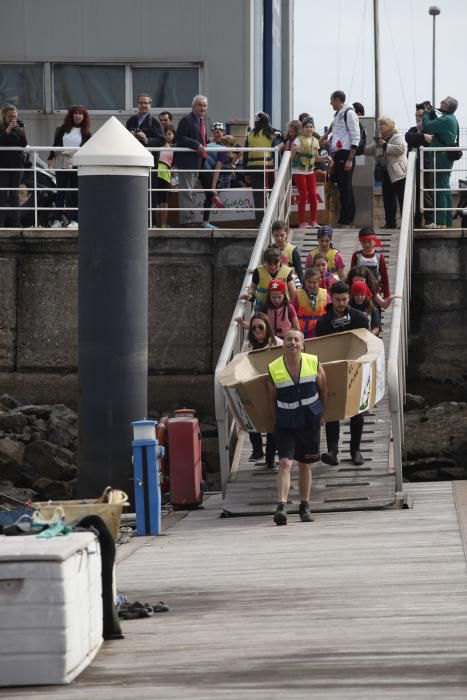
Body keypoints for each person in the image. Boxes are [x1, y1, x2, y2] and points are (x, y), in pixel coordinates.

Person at [267, 328, 328, 525]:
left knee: (305, 464)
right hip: (285, 422)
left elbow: (323, 388)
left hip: (309, 420)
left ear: (302, 344)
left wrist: (322, 414)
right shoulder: (273, 367)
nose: (292, 343)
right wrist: (275, 421)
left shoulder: (313, 361)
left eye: (296, 340)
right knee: (285, 462)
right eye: (288, 340)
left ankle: (305, 505)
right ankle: (282, 506)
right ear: (283, 343)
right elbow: (271, 399)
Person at [315, 281, 370, 466]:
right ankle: (333, 451)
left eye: (344, 299)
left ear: (349, 298)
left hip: (356, 367)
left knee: (358, 411)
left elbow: (367, 344)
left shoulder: (360, 318)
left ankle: (355, 450)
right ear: (331, 298)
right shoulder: (323, 322)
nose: (340, 303)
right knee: (332, 410)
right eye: (337, 299)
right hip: (332, 369)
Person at [237, 312, 281, 468]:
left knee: (273, 424)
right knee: (251, 417)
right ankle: (257, 450)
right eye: (254, 328)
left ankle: (270, 459)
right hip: (254, 387)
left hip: (274, 387)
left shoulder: (277, 343)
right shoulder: (247, 346)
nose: (257, 331)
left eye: (260, 327)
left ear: (267, 328)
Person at [320, 91, 360, 227]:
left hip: (345, 153)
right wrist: (326, 135)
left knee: (345, 187)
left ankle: (346, 219)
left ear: (337, 99)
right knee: (342, 187)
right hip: (338, 154)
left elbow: (355, 136)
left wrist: (350, 158)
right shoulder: (338, 114)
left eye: (331, 100)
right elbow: (335, 127)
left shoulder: (349, 113)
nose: (330, 103)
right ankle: (345, 217)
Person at [47, 105, 91, 229]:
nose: (78, 116)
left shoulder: (86, 132)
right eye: (75, 113)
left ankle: (74, 220)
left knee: (74, 192)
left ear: (84, 116)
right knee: (61, 191)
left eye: (80, 113)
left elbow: (88, 148)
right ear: (71, 115)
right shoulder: (64, 128)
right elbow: (55, 144)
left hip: (76, 163)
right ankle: (58, 220)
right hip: (61, 162)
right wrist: (50, 157)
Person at [126, 94, 166, 226]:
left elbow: (161, 140)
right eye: (141, 103)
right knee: (133, 191)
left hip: (149, 162)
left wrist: (146, 139)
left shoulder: (155, 122)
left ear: (150, 105)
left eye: (146, 103)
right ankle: (133, 221)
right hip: (133, 161)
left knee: (150, 192)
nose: (143, 105)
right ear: (137, 105)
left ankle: (150, 222)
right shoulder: (131, 121)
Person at [421, 96, 459, 228]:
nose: (440, 103)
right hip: (445, 158)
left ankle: (441, 222)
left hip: (441, 158)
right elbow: (437, 126)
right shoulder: (450, 119)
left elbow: (427, 126)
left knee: (440, 190)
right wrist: (432, 113)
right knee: (445, 188)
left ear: (447, 106)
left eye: (443, 102)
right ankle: (447, 221)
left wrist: (425, 113)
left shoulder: (446, 119)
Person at [364, 116, 407, 229]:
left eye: (382, 124)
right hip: (386, 173)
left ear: (389, 126)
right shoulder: (379, 139)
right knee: (388, 200)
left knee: (402, 199)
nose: (380, 127)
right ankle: (390, 223)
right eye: (379, 125)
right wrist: (358, 147)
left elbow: (401, 149)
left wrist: (385, 145)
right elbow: (369, 150)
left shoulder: (396, 136)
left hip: (398, 174)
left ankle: (405, 224)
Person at [174, 94, 209, 227]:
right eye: (200, 105)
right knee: (187, 192)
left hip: (198, 163)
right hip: (187, 163)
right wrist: (196, 145)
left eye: (205, 105)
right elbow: (180, 138)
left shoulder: (202, 121)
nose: (202, 108)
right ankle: (187, 221)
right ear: (194, 106)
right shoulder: (187, 120)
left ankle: (191, 219)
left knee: (192, 192)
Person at [291, 117, 331, 229]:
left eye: (311, 126)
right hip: (298, 171)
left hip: (309, 171)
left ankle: (314, 221)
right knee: (303, 195)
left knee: (313, 195)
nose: (309, 129)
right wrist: (294, 150)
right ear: (302, 129)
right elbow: (291, 157)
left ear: (313, 128)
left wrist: (325, 157)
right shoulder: (298, 140)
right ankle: (302, 222)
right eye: (306, 127)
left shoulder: (315, 141)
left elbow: (315, 158)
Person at [244, 112, 277, 226]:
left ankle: (260, 222)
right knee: (271, 195)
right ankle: (271, 221)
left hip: (253, 168)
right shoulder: (272, 134)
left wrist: (246, 172)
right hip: (267, 167)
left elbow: (245, 154)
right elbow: (277, 153)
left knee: (258, 197)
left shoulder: (250, 135)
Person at [240, 246, 296, 310]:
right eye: (269, 264)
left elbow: (293, 293)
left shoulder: (287, 271)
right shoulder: (258, 271)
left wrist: (291, 309)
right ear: (264, 262)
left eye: (276, 264)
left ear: (280, 260)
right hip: (262, 310)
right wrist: (250, 295)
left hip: (281, 310)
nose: (273, 267)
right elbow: (253, 287)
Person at [405, 109, 434, 228]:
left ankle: (429, 220)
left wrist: (420, 137)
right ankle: (417, 221)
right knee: (415, 192)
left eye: (420, 115)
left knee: (426, 190)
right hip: (413, 165)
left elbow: (428, 141)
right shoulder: (412, 129)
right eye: (416, 115)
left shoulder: (430, 129)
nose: (418, 117)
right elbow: (408, 138)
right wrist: (422, 136)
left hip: (426, 164)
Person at [0, 103, 28, 228]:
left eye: (14, 116)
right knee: (2, 193)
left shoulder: (19, 125)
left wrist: (20, 131)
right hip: (3, 164)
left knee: (14, 194)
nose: (12, 119)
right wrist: (8, 130)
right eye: (10, 116)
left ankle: (16, 223)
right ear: (4, 117)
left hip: (17, 163)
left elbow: (24, 144)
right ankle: (1, 222)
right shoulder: (1, 127)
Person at [198, 121, 229, 228]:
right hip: (205, 171)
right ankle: (205, 222)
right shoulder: (223, 149)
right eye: (215, 132)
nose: (217, 134)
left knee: (209, 196)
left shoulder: (207, 144)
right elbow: (217, 169)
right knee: (210, 196)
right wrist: (213, 188)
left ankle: (205, 221)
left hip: (201, 170)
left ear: (223, 132)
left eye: (219, 132)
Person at [350, 226, 390, 301]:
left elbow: (384, 276)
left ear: (374, 241)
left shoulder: (379, 256)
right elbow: (352, 276)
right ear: (360, 242)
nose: (367, 244)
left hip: (375, 292)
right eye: (364, 242)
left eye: (369, 241)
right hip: (360, 293)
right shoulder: (356, 256)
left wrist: (387, 295)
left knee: (375, 312)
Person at [292, 267, 328, 338]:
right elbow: (292, 313)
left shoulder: (325, 295)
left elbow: (330, 312)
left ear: (319, 282)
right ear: (304, 281)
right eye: (309, 282)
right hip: (302, 332)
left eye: (314, 282)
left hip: (320, 329)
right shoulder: (297, 294)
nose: (311, 285)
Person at [154, 125, 176, 228]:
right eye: (165, 134)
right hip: (155, 174)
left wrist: (174, 181)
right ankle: (154, 223)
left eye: (169, 134)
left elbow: (175, 165)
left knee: (164, 200)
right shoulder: (158, 145)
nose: (167, 136)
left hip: (166, 175)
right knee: (156, 200)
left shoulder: (176, 147)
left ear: (174, 135)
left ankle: (163, 223)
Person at [271, 219, 303, 285]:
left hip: (290, 284)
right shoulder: (269, 250)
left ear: (286, 234)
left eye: (282, 235)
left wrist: (301, 287)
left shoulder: (293, 250)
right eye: (276, 235)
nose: (279, 238)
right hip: (274, 286)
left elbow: (299, 271)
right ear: (272, 235)